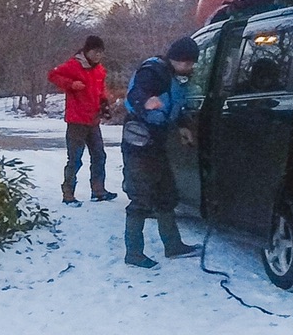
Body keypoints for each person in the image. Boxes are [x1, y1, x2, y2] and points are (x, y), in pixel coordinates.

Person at [119, 36, 205, 268]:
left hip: (158, 141)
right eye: (186, 63)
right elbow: (135, 94)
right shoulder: (153, 72)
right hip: (139, 141)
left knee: (166, 195)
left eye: (192, 64)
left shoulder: (179, 78)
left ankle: (173, 245)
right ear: (174, 59)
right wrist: (146, 101)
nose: (189, 68)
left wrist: (184, 126)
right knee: (141, 197)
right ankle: (134, 253)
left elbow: (177, 106)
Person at [48, 34, 117, 205]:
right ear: (87, 51)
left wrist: (105, 104)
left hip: (93, 120)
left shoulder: (100, 70)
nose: (98, 55)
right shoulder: (73, 65)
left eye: (101, 52)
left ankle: (98, 191)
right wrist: (71, 85)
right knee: (75, 158)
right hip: (76, 120)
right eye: (95, 52)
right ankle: (68, 193)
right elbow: (53, 75)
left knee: (99, 155)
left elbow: (100, 90)